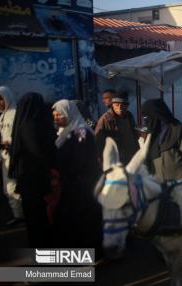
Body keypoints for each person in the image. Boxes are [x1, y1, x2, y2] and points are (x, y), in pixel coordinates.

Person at [51, 99, 102, 249]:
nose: (56, 119)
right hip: (73, 183)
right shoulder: (65, 132)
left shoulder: (81, 131)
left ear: (69, 113)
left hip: (83, 183)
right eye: (54, 115)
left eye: (59, 115)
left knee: (85, 217)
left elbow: (81, 160)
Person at [8, 93, 56, 247]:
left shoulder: (22, 124)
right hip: (35, 180)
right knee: (39, 218)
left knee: (33, 218)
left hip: (26, 179)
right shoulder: (32, 125)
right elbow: (38, 154)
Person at [0, 86, 24, 226]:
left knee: (14, 187)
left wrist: (9, 144)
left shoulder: (15, 113)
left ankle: (22, 217)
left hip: (15, 155)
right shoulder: (2, 117)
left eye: (0, 99)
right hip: (6, 156)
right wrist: (0, 157)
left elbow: (19, 136)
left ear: (7, 97)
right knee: (8, 188)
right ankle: (18, 216)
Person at [141, 99, 182, 181]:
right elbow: (147, 158)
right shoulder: (150, 133)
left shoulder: (177, 129)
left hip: (179, 182)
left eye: (147, 115)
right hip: (158, 183)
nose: (145, 119)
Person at [95, 91, 139, 164]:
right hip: (115, 162)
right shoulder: (105, 119)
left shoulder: (129, 116)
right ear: (112, 105)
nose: (120, 107)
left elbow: (134, 135)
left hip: (132, 159)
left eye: (122, 105)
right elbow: (98, 143)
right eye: (117, 105)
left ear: (127, 106)